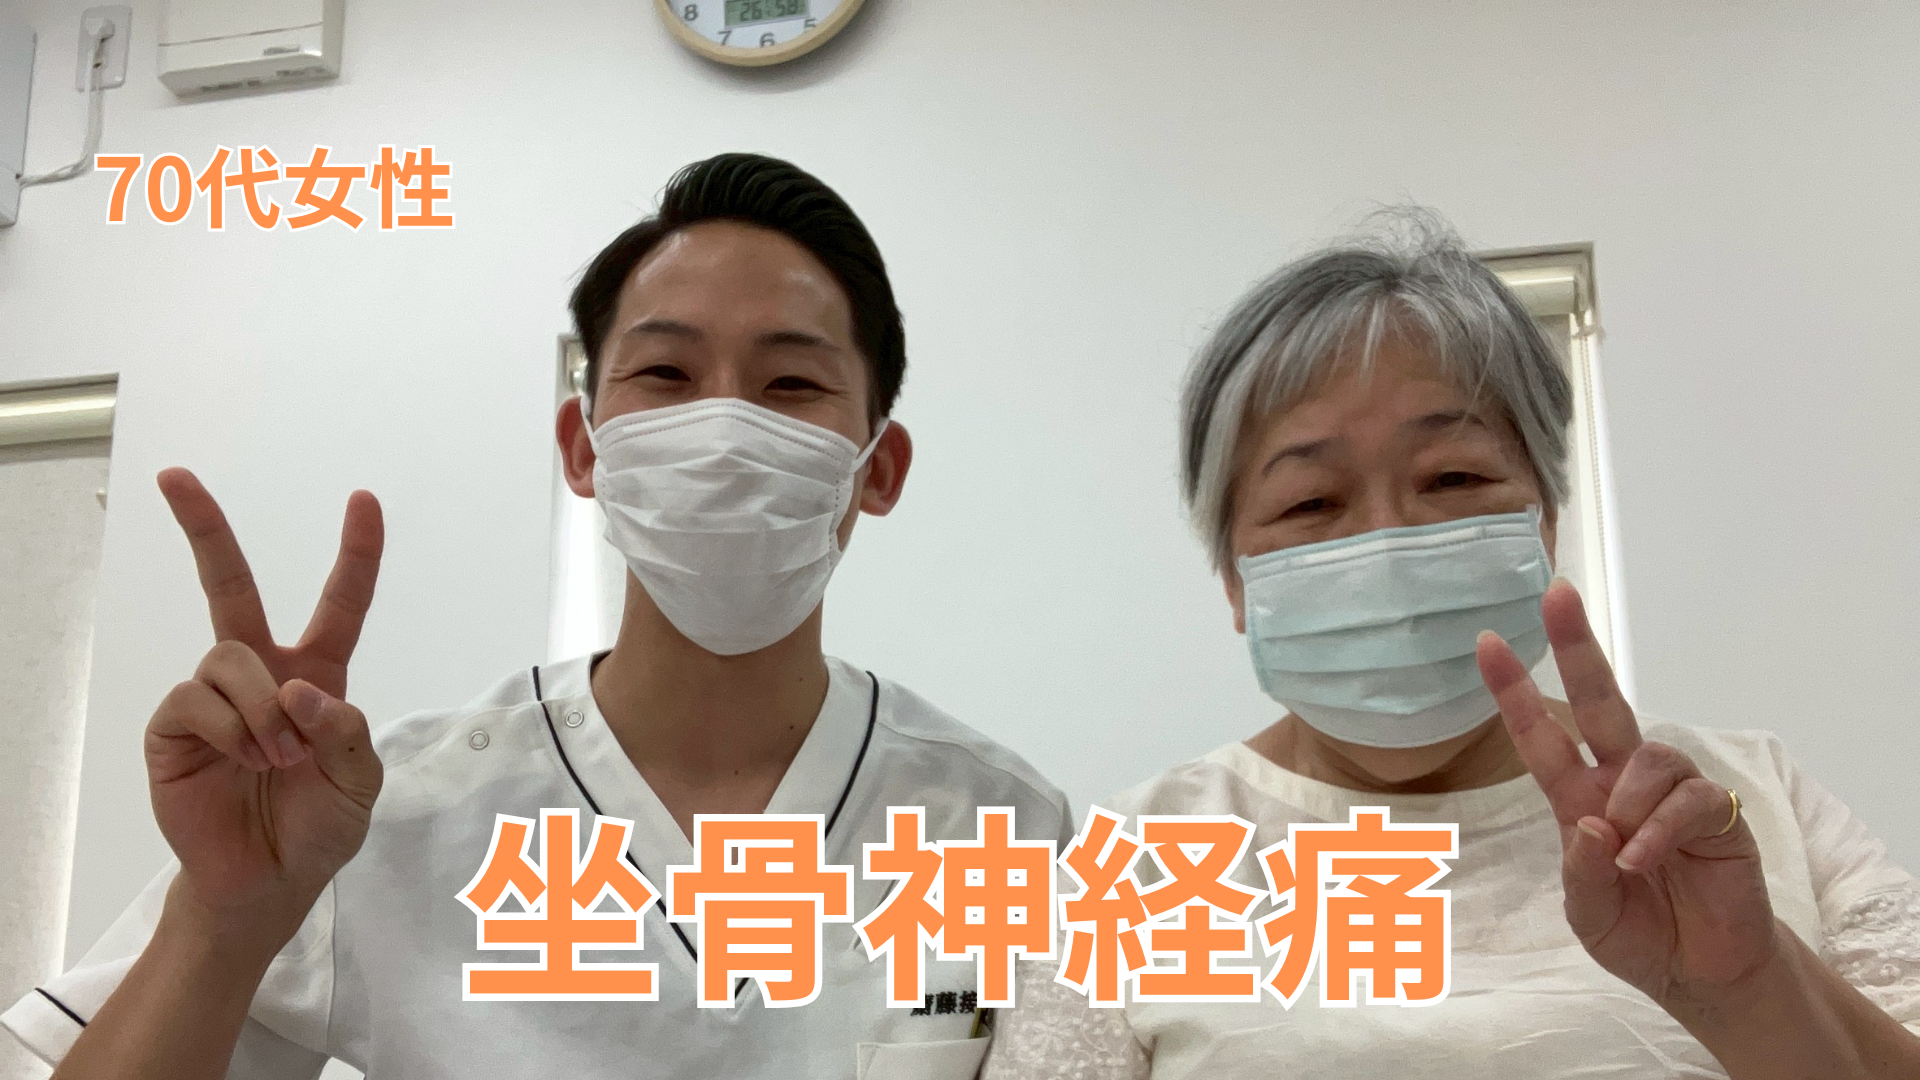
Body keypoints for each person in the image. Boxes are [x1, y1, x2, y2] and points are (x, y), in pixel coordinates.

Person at [2, 153, 1072, 1080]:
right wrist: (223, 916)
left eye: (790, 383)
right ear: (583, 448)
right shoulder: (370, 814)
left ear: (877, 468)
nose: (723, 425)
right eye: (666, 372)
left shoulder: (1002, 826)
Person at [982, 211, 1920, 1079]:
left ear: (1543, 525)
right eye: (1311, 502)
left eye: (1454, 478)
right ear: (1234, 577)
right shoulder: (1136, 860)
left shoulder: (1741, 808)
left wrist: (1751, 992)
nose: (1386, 544)